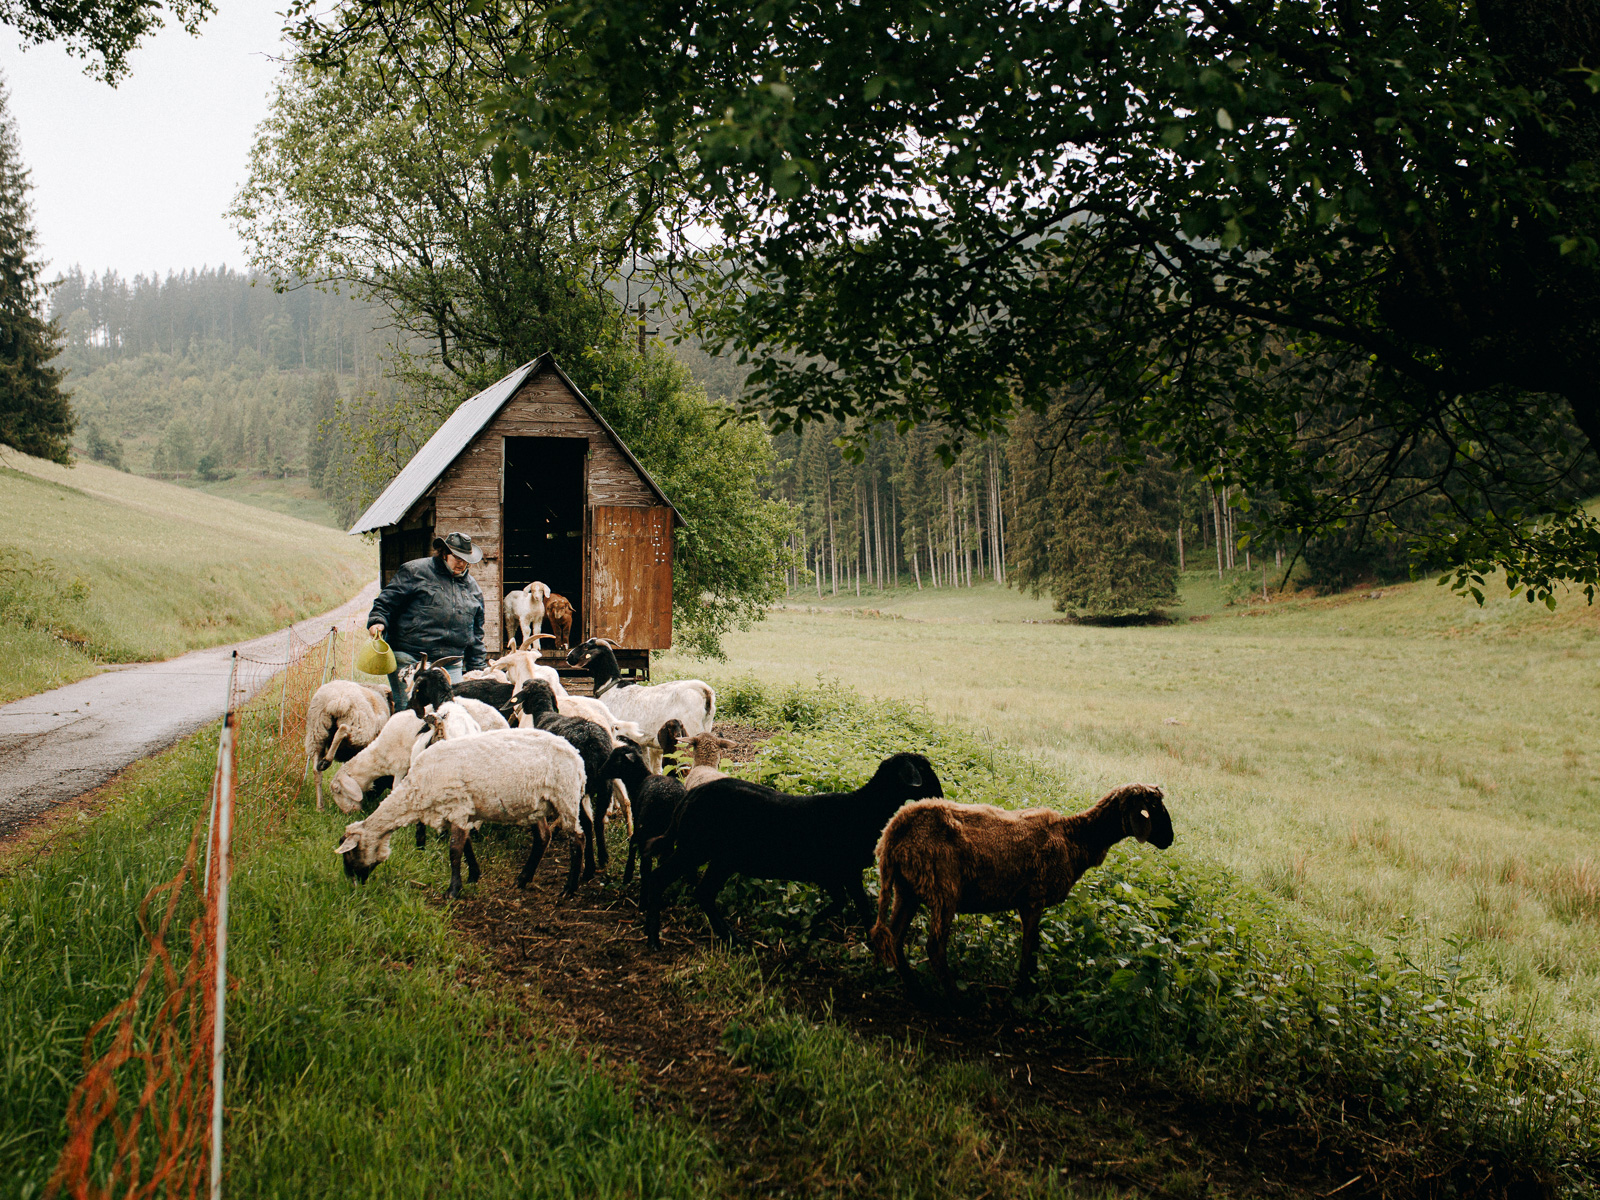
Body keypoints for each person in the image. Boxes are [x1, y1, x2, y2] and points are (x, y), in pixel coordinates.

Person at [366, 531, 487, 710]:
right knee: (411, 711)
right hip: (411, 655)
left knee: (450, 711)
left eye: (465, 559)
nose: (461, 563)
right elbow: (386, 601)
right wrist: (378, 620)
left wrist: (477, 668)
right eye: (457, 557)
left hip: (450, 661)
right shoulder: (415, 571)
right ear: (444, 553)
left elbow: (476, 633)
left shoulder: (473, 589)